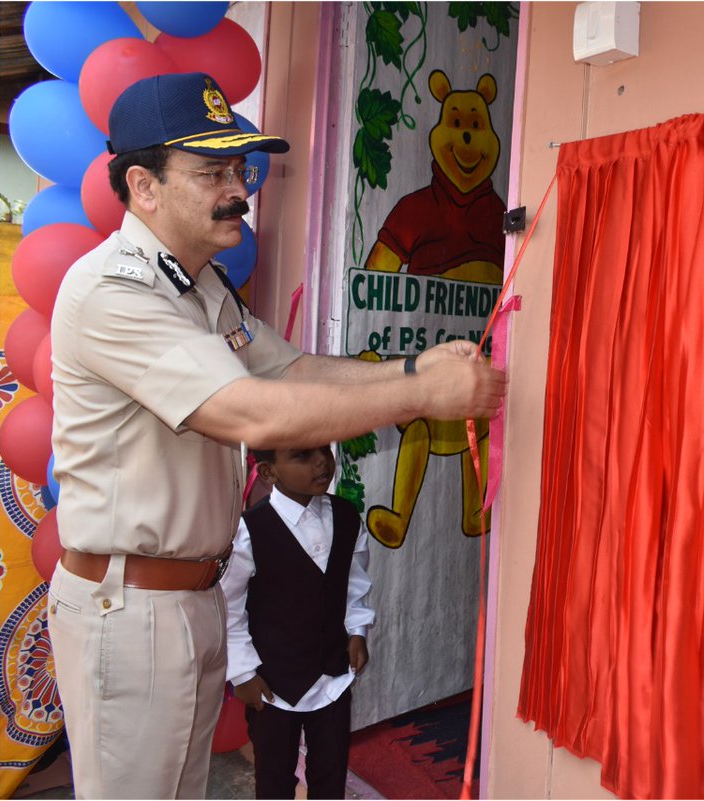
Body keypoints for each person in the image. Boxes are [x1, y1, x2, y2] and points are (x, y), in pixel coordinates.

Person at [46, 72, 505, 799]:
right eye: (211, 172)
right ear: (144, 185)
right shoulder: (113, 290)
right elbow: (253, 412)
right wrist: (422, 395)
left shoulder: (199, 286)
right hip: (129, 605)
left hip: (189, 596)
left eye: (238, 168)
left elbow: (291, 367)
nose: (239, 189)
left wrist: (412, 367)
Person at [221, 445, 373, 799]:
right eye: (302, 456)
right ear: (269, 472)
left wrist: (357, 631)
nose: (322, 461)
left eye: (324, 449)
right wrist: (242, 673)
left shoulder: (348, 517)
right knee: (274, 781)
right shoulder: (250, 531)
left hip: (332, 677)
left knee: (330, 775)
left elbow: (354, 581)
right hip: (274, 687)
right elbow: (229, 607)